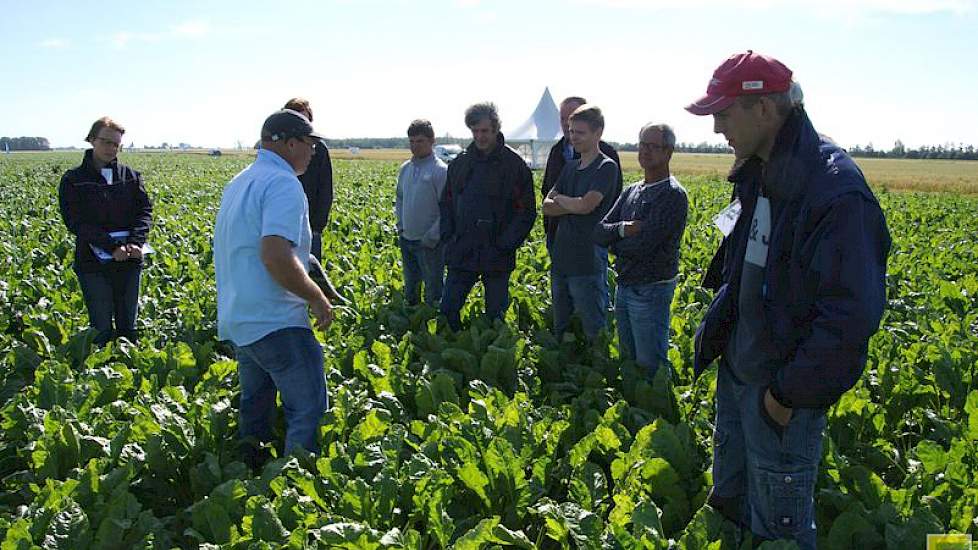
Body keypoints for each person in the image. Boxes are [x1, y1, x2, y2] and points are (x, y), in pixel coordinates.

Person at [687, 51, 891, 549]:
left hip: (778, 394)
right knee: (731, 505)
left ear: (764, 109)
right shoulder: (762, 171)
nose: (716, 128)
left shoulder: (835, 190)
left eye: (724, 112)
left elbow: (849, 317)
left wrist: (787, 395)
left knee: (781, 532)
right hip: (739, 376)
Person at [214, 109, 334, 460]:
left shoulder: (241, 181)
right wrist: (317, 298)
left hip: (241, 318)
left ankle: (250, 472)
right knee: (308, 409)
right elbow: (275, 255)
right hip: (276, 320)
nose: (313, 152)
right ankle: (295, 492)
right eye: (310, 144)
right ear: (291, 142)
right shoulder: (283, 183)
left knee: (255, 405)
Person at [594, 123, 687, 377]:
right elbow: (599, 232)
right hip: (625, 286)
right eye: (642, 144)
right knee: (628, 358)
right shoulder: (632, 191)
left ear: (668, 152)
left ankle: (657, 410)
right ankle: (636, 410)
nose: (645, 151)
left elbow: (644, 247)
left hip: (651, 287)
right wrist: (623, 229)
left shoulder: (672, 195)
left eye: (653, 146)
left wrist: (616, 242)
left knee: (650, 363)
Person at [439, 102, 536, 330]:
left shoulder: (514, 165)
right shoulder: (461, 163)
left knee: (496, 317)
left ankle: (493, 360)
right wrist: (449, 238)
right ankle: (450, 358)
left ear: (495, 129)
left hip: (497, 254)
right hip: (463, 250)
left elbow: (526, 211)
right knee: (448, 311)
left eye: (484, 131)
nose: (480, 136)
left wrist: (505, 244)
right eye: (475, 131)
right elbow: (447, 203)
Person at [58, 116, 152, 346]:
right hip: (92, 262)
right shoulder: (74, 180)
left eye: (116, 144)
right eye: (106, 142)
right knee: (100, 328)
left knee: (128, 327)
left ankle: (128, 372)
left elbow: (144, 211)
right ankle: (100, 373)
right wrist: (111, 247)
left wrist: (135, 242)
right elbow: (76, 222)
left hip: (129, 261)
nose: (111, 148)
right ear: (91, 140)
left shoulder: (130, 176)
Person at [542, 105, 620, 339]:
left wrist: (562, 201)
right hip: (561, 256)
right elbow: (546, 207)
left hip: (587, 258)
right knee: (561, 323)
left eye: (580, 132)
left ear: (598, 133)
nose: (573, 137)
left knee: (593, 325)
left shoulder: (606, 167)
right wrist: (572, 204)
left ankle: (597, 370)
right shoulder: (569, 167)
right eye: (571, 131)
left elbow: (587, 206)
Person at [283, 98, 344, 304]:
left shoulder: (319, 150)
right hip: (283, 223)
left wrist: (317, 225)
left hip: (310, 225)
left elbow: (325, 189)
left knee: (310, 272)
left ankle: (313, 308)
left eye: (305, 118)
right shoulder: (279, 151)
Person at [396, 119, 448, 307]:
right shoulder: (405, 169)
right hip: (407, 238)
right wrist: (400, 226)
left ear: (432, 141)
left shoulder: (440, 170)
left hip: (429, 243)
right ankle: (412, 323)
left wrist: (432, 236)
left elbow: (447, 209)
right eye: (412, 141)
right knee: (411, 286)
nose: (415, 146)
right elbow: (400, 198)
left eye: (420, 141)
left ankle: (433, 327)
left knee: (433, 289)